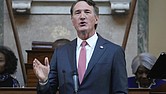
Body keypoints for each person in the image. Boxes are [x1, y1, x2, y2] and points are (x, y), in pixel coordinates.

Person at [33, 0, 128, 94]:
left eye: (87, 12)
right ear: (72, 20)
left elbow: (120, 91)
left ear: (96, 18)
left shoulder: (113, 52)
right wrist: (44, 81)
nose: (82, 17)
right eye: (77, 13)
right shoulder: (61, 53)